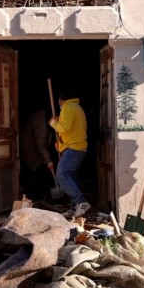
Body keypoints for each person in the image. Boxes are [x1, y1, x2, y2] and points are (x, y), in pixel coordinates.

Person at [49, 89, 90, 218]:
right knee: (70, 178)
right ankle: (74, 207)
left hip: (74, 148)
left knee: (62, 175)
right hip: (76, 147)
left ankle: (81, 202)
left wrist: (53, 123)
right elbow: (71, 132)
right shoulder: (77, 107)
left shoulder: (68, 107)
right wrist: (60, 145)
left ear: (61, 100)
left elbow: (64, 128)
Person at [19, 109, 56, 200]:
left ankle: (37, 197)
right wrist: (48, 160)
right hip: (29, 150)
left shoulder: (44, 118)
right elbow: (40, 144)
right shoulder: (40, 123)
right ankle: (32, 198)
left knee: (37, 174)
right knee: (32, 175)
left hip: (35, 151)